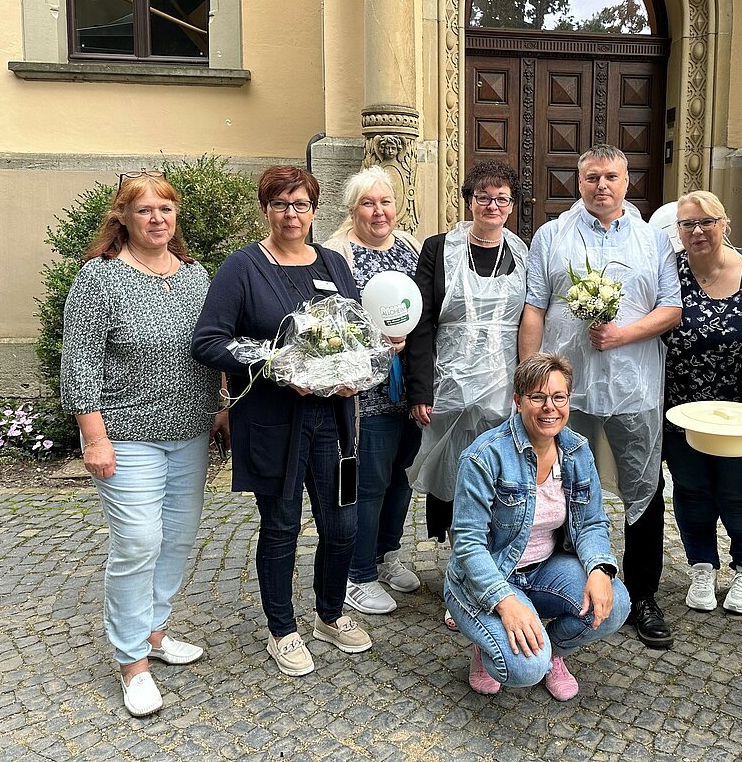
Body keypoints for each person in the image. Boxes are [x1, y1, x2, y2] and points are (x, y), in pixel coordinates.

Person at [191, 165, 372, 676]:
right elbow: (209, 340)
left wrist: (358, 368)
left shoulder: (335, 263)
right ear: (265, 209)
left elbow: (351, 332)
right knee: (282, 525)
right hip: (276, 418)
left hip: (334, 417)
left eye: (300, 204)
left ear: (315, 211)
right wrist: (275, 366)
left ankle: (330, 614)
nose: (291, 215)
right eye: (280, 205)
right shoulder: (242, 268)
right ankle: (282, 629)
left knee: (342, 525)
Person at [61, 170, 225, 717]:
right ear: (123, 219)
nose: (157, 219)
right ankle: (132, 662)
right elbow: (79, 361)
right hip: (127, 437)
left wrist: (223, 404)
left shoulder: (195, 276)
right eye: (144, 211)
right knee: (136, 542)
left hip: (190, 432)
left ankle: (155, 631)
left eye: (165, 210)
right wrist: (94, 438)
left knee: (176, 539)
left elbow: (210, 347)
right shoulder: (98, 277)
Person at [519, 144, 681, 648]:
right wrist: (530, 382)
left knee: (644, 487)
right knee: (563, 485)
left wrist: (623, 334)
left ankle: (643, 592)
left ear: (627, 182)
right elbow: (534, 310)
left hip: (635, 386)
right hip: (569, 391)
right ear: (579, 182)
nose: (601, 186)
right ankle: (566, 587)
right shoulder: (551, 236)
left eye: (610, 177)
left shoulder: (653, 239)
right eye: (591, 178)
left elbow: (671, 309)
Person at [445, 353, 631, 699]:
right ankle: (487, 645)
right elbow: (468, 543)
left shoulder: (576, 450)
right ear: (518, 401)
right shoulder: (484, 456)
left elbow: (591, 521)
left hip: (545, 568)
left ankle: (553, 655)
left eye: (559, 397)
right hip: (489, 578)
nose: (550, 407)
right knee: (523, 669)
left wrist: (599, 569)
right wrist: (504, 602)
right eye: (538, 397)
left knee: (616, 603)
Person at [663, 191, 742, 617]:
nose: (697, 231)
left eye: (706, 222)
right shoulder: (668, 273)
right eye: (687, 224)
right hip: (681, 410)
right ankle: (702, 566)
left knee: (739, 494)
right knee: (691, 490)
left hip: (741, 414)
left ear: (724, 223)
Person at [406, 160, 527, 546]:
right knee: (455, 471)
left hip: (504, 380)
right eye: (483, 197)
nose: (492, 206)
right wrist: (420, 389)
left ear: (511, 206)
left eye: (501, 199)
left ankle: (500, 554)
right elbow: (422, 322)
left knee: (501, 469)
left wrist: (528, 383)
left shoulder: (524, 253)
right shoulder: (439, 248)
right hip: (450, 382)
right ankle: (462, 559)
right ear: (469, 201)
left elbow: (532, 317)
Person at [323, 167, 424, 615]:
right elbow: (327, 324)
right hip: (367, 394)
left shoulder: (411, 248)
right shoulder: (335, 254)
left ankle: (387, 554)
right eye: (368, 203)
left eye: (385, 202)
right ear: (353, 209)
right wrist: (374, 341)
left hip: (410, 390)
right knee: (369, 483)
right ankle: (357, 574)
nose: (378, 211)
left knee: (403, 477)